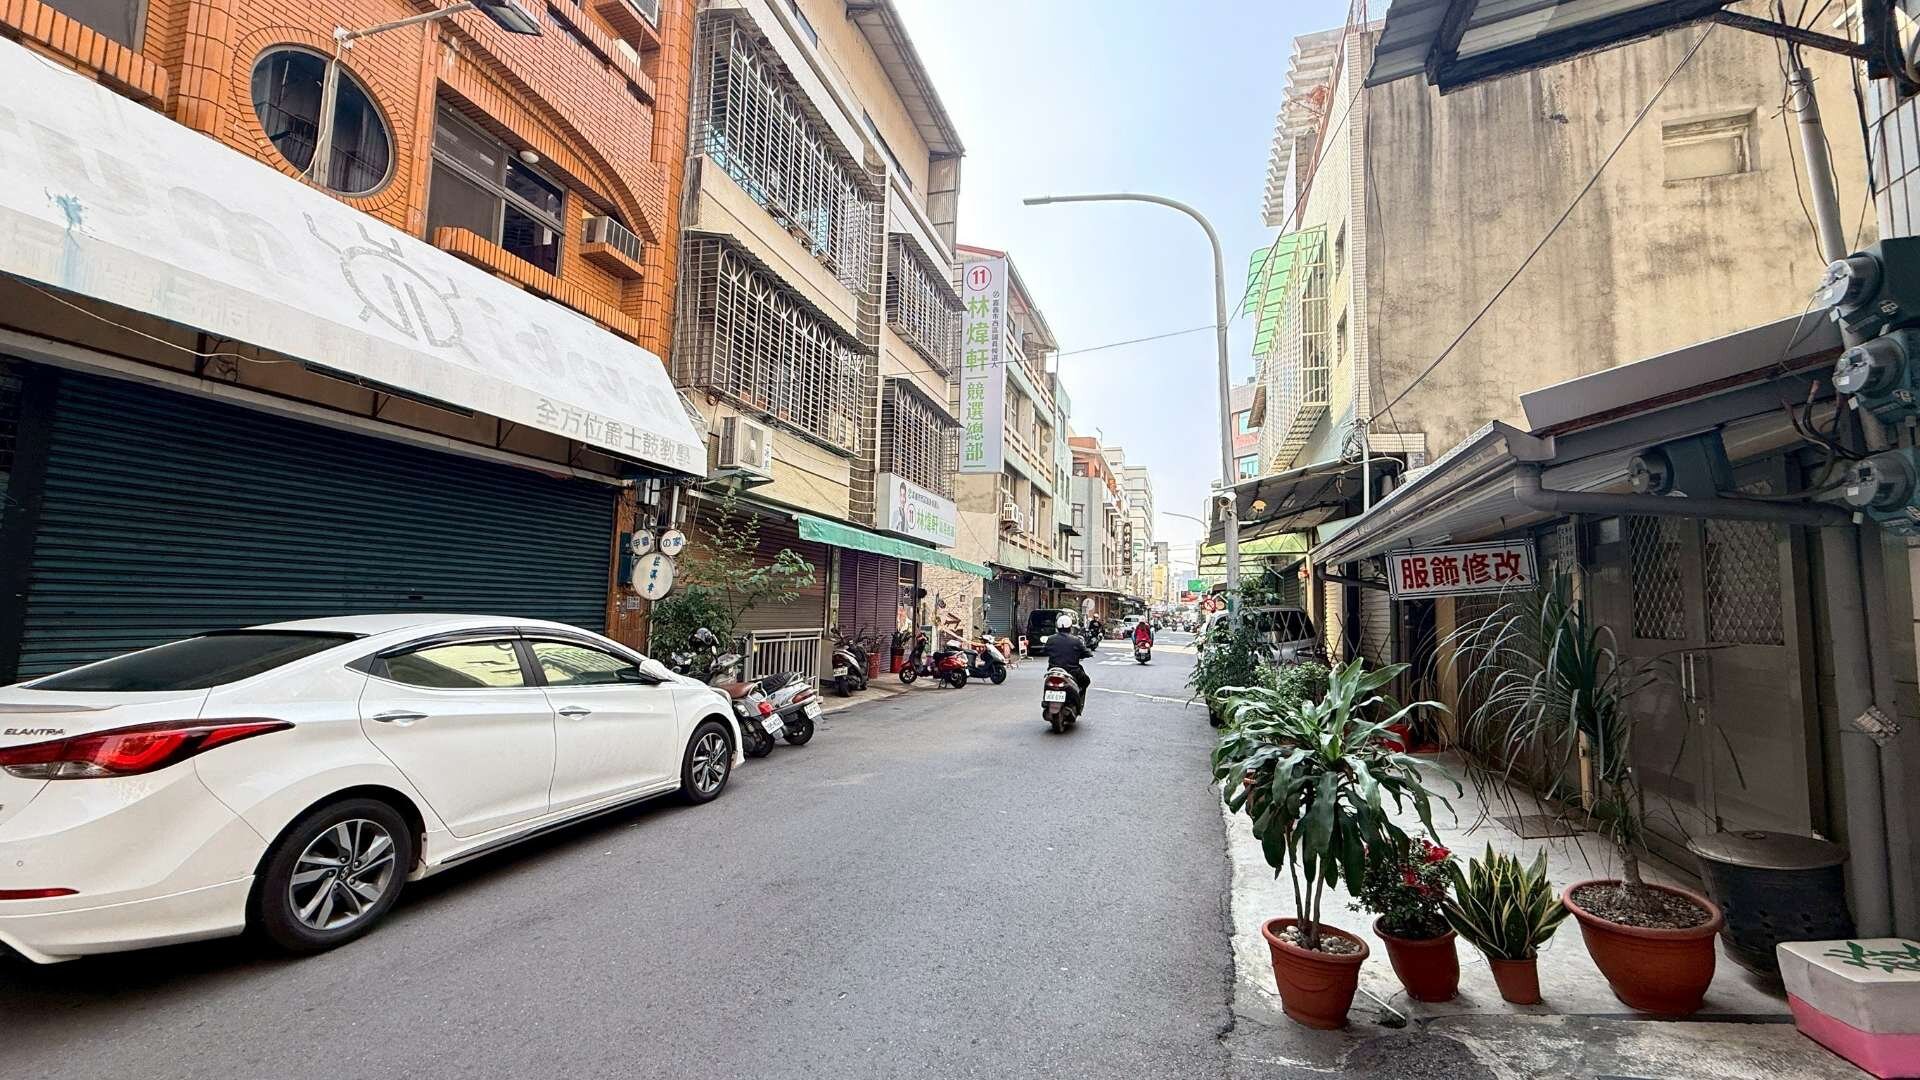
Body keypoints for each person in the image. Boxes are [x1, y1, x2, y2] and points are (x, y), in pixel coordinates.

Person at [1045, 612, 1094, 704]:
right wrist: (1088, 653)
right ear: (1070, 627)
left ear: (1057, 627)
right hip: (1072, 671)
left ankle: (1046, 702)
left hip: (1053, 670)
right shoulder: (1076, 640)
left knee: (1047, 681)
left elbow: (1045, 650)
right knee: (1086, 681)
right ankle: (1078, 701)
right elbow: (1086, 652)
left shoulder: (1050, 639)